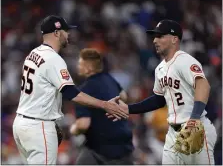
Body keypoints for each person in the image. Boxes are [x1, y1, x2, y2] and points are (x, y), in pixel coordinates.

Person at [12, 15, 128, 165]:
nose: (68, 34)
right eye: (65, 31)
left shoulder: (32, 54)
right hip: (38, 127)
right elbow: (71, 93)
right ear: (56, 33)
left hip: (21, 124)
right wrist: (105, 105)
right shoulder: (53, 59)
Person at [108, 20, 217, 165]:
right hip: (172, 133)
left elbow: (203, 86)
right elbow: (159, 99)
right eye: (154, 37)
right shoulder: (160, 69)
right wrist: (129, 108)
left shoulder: (185, 60)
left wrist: (193, 120)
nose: (155, 40)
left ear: (174, 39)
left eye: (160, 36)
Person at [70, 48, 134, 165]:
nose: (78, 66)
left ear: (88, 67)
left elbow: (83, 124)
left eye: (80, 63)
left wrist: (73, 129)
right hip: (124, 145)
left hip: (102, 149)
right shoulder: (109, 79)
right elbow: (123, 96)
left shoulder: (83, 91)